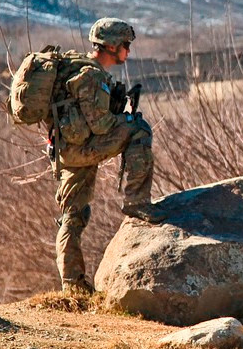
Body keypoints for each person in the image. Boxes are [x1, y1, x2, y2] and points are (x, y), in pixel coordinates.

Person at [51, 18, 167, 294]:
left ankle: (73, 286)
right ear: (112, 46)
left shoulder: (79, 68)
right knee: (139, 129)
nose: (128, 50)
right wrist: (124, 117)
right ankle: (137, 201)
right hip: (81, 149)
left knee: (74, 214)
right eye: (126, 44)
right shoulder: (92, 76)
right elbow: (101, 125)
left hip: (67, 150)